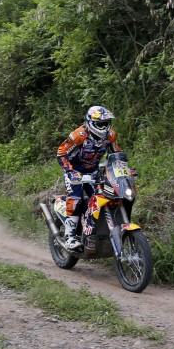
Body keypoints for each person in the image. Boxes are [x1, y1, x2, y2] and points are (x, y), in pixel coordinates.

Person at [56, 106, 121, 250]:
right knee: (76, 197)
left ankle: (92, 232)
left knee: (100, 199)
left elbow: (116, 154)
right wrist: (70, 171)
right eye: (100, 124)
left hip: (93, 172)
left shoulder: (111, 136)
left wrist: (123, 168)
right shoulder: (79, 135)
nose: (104, 127)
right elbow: (61, 152)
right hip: (75, 172)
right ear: (90, 121)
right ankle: (70, 236)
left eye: (106, 123)